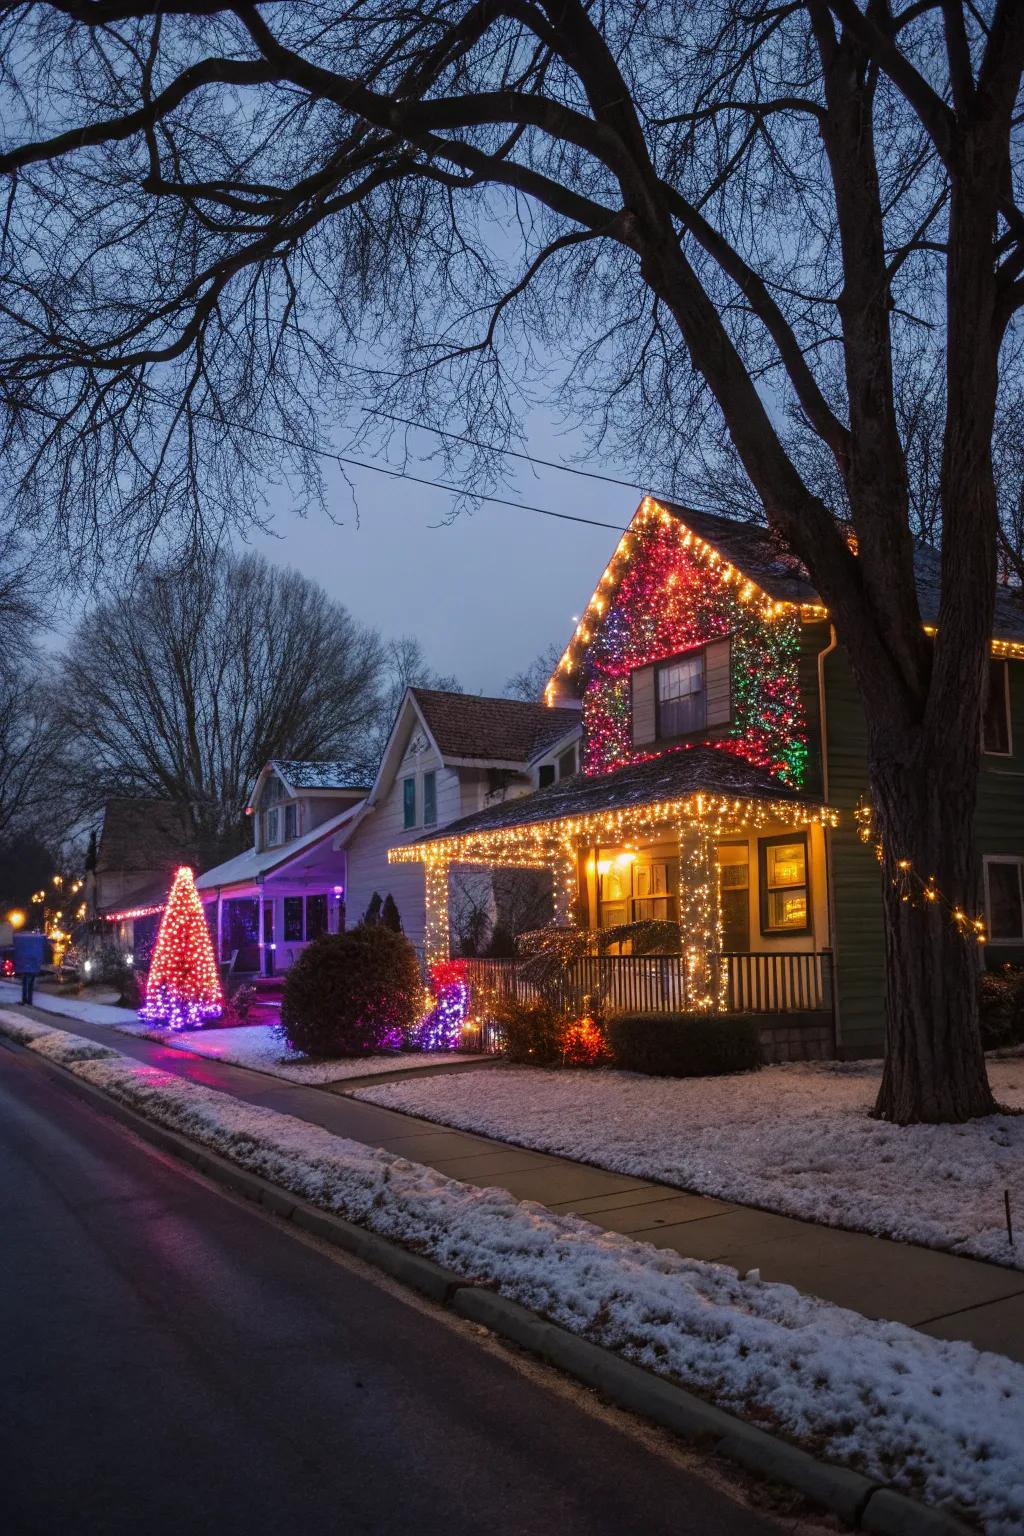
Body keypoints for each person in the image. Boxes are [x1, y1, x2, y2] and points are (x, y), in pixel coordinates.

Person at [13, 929, 47, 1005]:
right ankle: (29, 1000)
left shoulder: (21, 941)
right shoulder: (37, 942)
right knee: (30, 984)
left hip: (25, 966)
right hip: (33, 966)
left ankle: (25, 1000)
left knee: (25, 983)